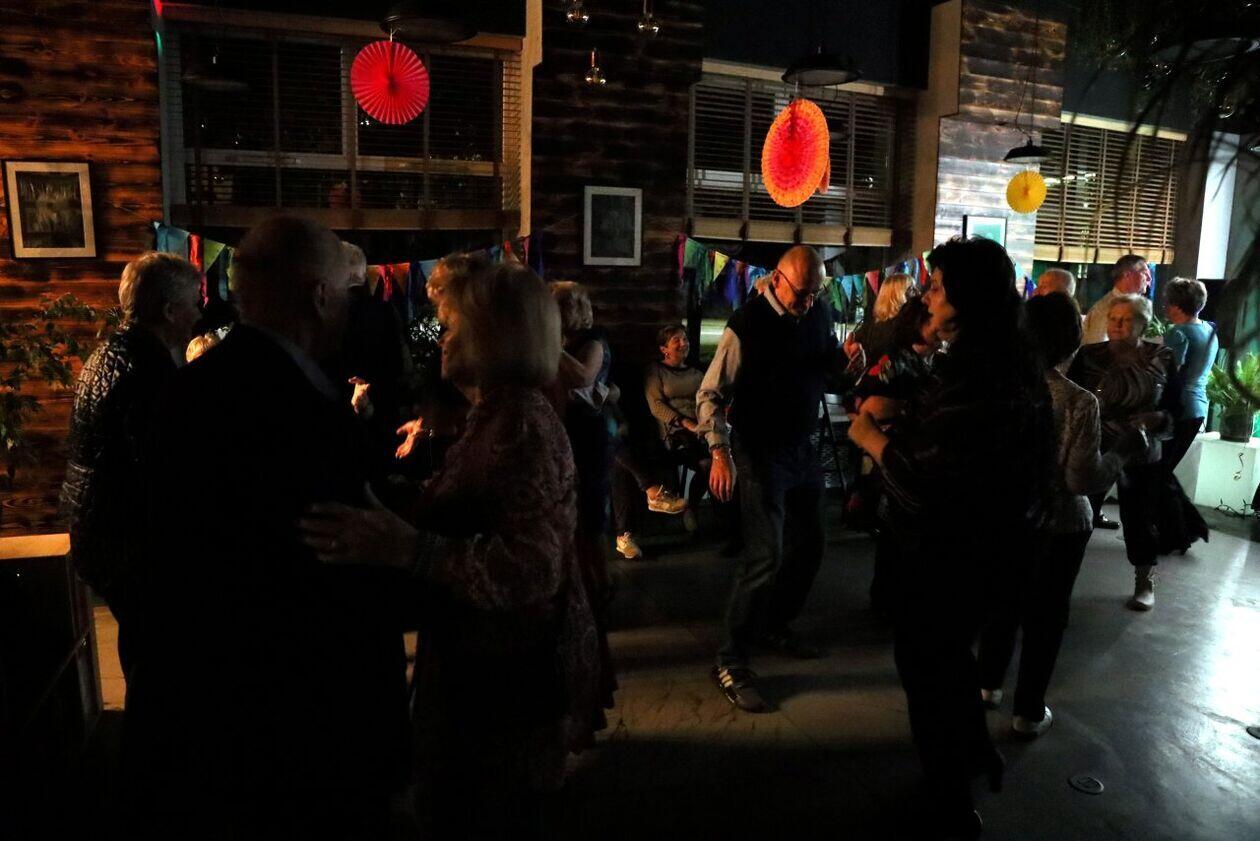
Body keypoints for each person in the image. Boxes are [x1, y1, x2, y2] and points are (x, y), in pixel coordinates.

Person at [129, 217, 411, 836]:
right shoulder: (300, 408)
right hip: (300, 712)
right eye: (345, 292)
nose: (350, 306)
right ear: (319, 295)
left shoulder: (193, 385)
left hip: (213, 697)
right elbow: (340, 564)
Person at [299, 262, 601, 839]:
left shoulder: (520, 425)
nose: (442, 338)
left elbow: (532, 568)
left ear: (495, 336)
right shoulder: (496, 412)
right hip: (486, 669)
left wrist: (412, 549)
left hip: (507, 685)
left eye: (453, 324)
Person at [847, 236, 1053, 838]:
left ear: (967, 299)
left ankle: (949, 804)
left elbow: (924, 488)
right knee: (950, 661)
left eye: (937, 287)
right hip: (994, 552)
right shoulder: (1009, 363)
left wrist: (870, 437)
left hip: (947, 557)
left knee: (928, 670)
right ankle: (972, 756)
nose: (927, 297)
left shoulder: (977, 375)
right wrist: (911, 412)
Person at [977, 292, 1143, 739]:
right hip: (1059, 525)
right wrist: (1123, 450)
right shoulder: (1078, 402)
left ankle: (987, 685)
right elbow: (1079, 479)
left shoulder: (996, 388)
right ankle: (1028, 711)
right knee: (1046, 616)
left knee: (1002, 601)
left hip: (1005, 517)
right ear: (1073, 342)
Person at [699, 244, 851, 712]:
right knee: (766, 555)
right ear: (777, 279)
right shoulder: (746, 325)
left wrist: (848, 365)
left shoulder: (817, 312)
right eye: (802, 293)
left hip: (803, 447)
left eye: (815, 293)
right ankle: (731, 659)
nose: (808, 301)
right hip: (759, 452)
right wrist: (719, 452)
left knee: (811, 546)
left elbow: (825, 366)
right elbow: (710, 393)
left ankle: (774, 624)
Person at [61, 252, 202, 680]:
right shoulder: (147, 370)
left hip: (96, 530)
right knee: (159, 653)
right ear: (169, 310)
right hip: (126, 540)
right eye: (194, 302)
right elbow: (163, 471)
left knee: (141, 640)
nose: (199, 313)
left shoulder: (106, 353)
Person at [1069, 294, 1176, 610]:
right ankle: (1061, 579)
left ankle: (1145, 581)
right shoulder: (1090, 355)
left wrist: (1159, 419)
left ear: (1143, 324)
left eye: (1126, 320)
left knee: (1140, 519)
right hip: (1095, 445)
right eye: (1113, 319)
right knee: (1080, 514)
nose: (1117, 325)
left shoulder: (1161, 357)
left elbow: (1176, 406)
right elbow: (1074, 397)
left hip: (1140, 447)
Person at [1162, 277, 1218, 468]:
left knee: (1161, 467)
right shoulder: (1209, 329)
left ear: (1176, 306)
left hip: (1179, 408)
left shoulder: (1177, 332)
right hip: (1199, 406)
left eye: (1167, 302)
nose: (1165, 307)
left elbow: (1170, 373)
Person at [849, 272, 918, 363]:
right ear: (897, 296)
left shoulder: (873, 325)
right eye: (911, 289)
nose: (918, 292)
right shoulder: (900, 329)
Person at [1082, 254, 1151, 345]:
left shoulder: (1128, 305)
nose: (1149, 278)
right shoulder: (1105, 309)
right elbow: (1098, 348)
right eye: (1144, 273)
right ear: (1127, 274)